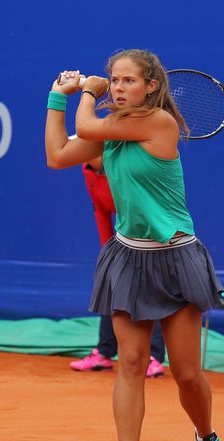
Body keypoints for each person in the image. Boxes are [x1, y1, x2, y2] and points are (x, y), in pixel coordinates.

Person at [45, 49, 224, 441]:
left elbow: (87, 127)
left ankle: (205, 435)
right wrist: (58, 97)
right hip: (128, 258)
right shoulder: (110, 132)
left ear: (151, 87)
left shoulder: (160, 123)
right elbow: (57, 156)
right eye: (115, 79)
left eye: (128, 80)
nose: (119, 87)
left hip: (176, 259)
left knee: (187, 374)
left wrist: (89, 92)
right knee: (129, 363)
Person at [71, 157, 166, 378]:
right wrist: (107, 250)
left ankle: (154, 358)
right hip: (124, 235)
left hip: (150, 233)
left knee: (149, 295)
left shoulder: (122, 169)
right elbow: (100, 210)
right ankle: (104, 354)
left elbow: (141, 208)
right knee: (109, 286)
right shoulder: (88, 172)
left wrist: (141, 245)